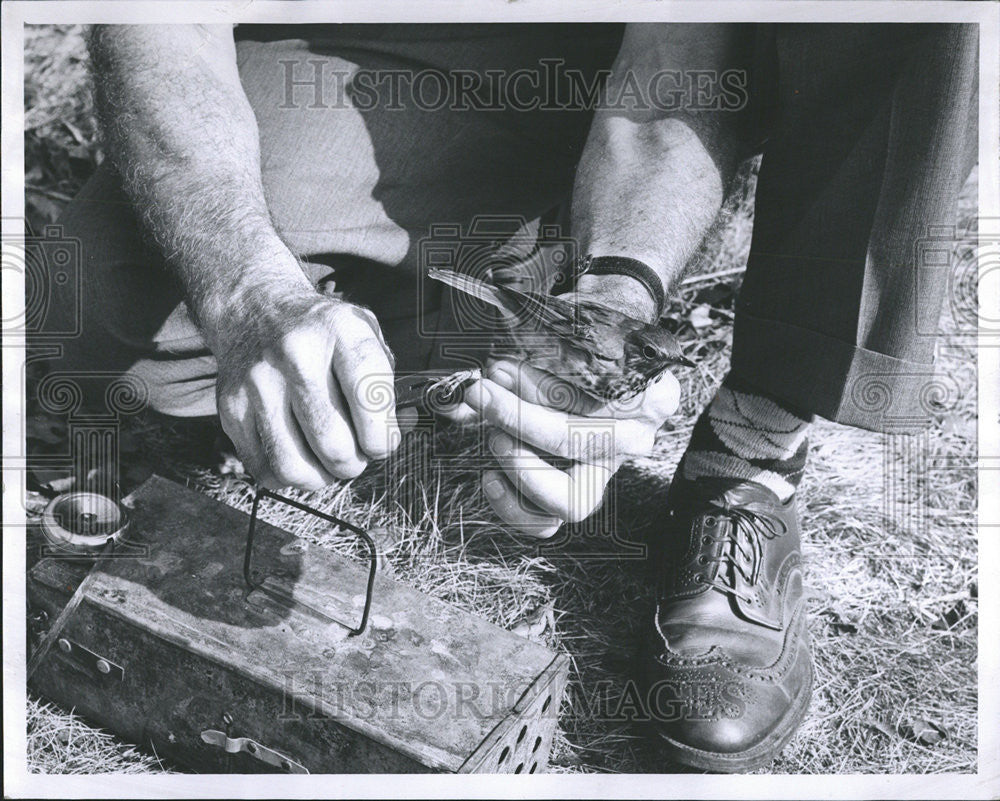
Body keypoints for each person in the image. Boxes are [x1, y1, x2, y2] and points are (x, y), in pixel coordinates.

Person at [38, 22, 977, 771]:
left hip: (676, 46)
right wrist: (246, 286)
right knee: (116, 337)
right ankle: (468, 273)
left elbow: (677, 58)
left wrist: (605, 314)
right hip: (397, 40)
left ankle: (754, 452)